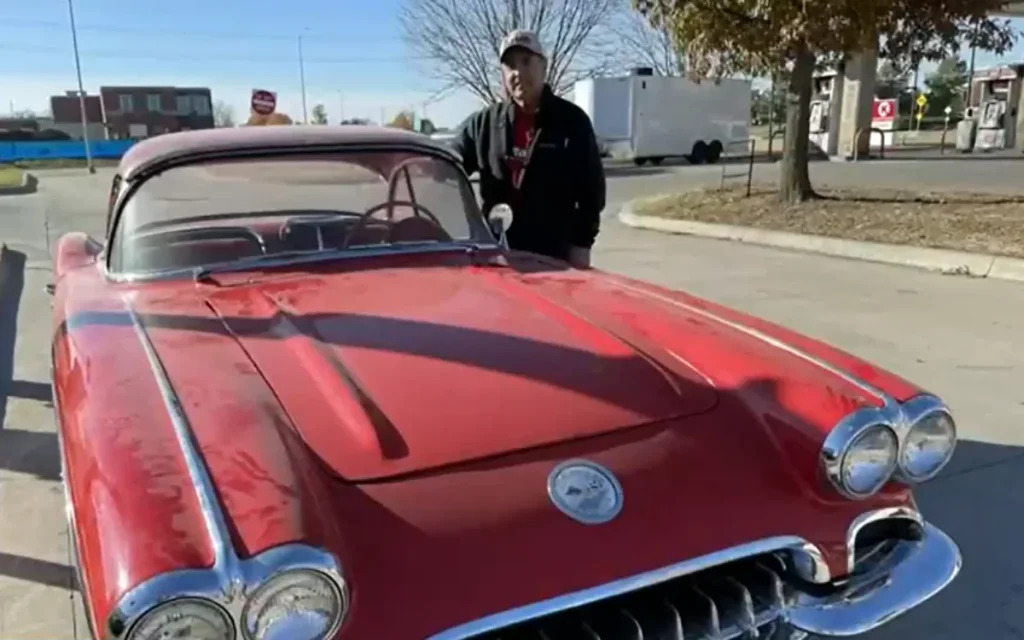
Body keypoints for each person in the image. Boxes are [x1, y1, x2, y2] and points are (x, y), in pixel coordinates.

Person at [451, 29, 606, 268]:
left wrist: (581, 245)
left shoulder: (572, 122)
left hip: (556, 256)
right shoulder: (484, 124)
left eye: (526, 62)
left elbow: (592, 193)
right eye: (510, 66)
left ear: (543, 66)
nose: (518, 73)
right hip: (498, 255)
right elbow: (452, 159)